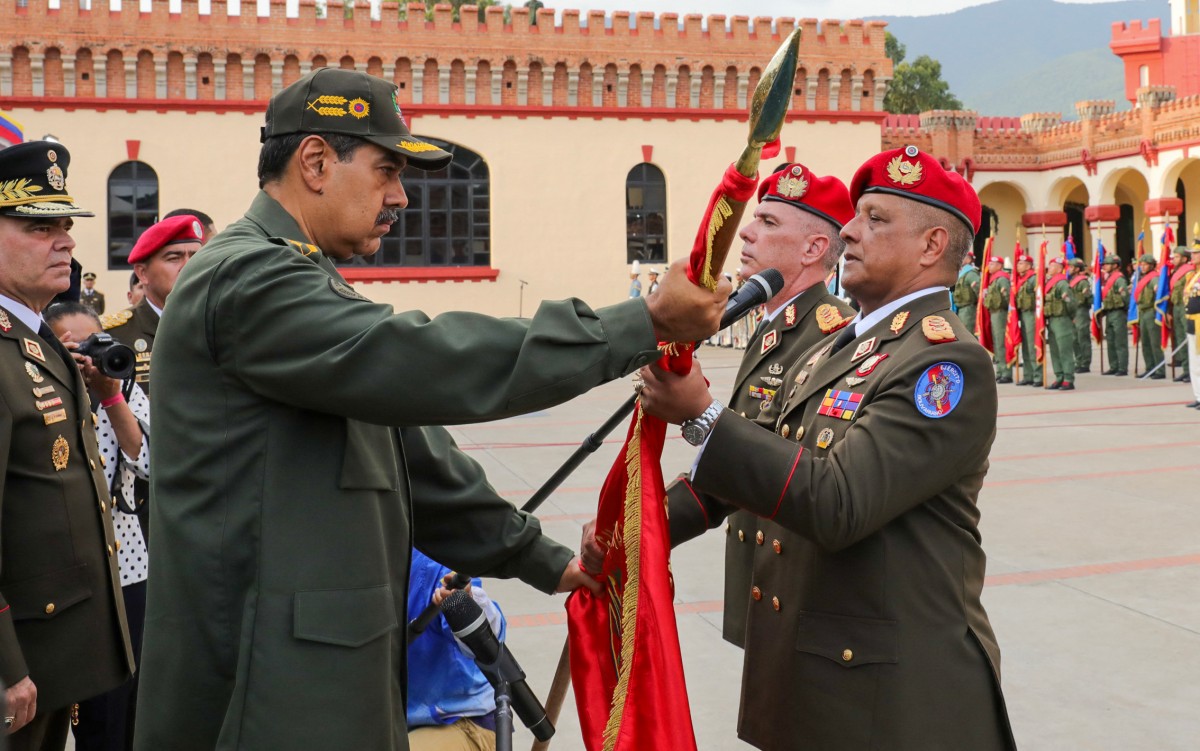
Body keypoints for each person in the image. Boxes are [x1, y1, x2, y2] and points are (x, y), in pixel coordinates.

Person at [131, 67, 728, 751]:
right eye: (386, 170)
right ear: (317, 162)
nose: (401, 197)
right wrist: (638, 324)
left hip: (318, 687)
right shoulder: (245, 277)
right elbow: (426, 359)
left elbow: (413, 454)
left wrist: (547, 559)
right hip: (260, 697)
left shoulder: (303, 277)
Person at [632, 146, 1015, 750]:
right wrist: (637, 528)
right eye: (855, 217)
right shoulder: (839, 348)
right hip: (818, 676)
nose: (851, 232)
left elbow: (840, 500)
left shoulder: (944, 363)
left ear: (932, 246)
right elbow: (762, 462)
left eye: (876, 219)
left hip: (892, 703)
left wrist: (703, 415)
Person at [665, 161, 855, 649]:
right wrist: (643, 524)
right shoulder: (777, 324)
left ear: (814, 249)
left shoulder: (833, 336)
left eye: (768, 223)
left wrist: (700, 413)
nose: (746, 232)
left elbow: (773, 459)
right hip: (765, 582)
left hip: (800, 590)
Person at [0, 140, 134, 751]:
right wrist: (5, 664)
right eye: (37, 226)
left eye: (64, 225)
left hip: (55, 654)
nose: (66, 241)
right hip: (20, 662)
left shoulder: (38, 335)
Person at [45, 303, 150, 751]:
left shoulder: (121, 382)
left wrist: (110, 395)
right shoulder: (40, 387)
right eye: (75, 347)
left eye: (96, 343)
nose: (89, 357)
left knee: (125, 706)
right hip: (65, 570)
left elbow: (151, 462)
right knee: (78, 712)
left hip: (127, 567)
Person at [406, 550, 504, 751]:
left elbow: (490, 641)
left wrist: (465, 604)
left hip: (462, 720)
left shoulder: (434, 565)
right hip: (393, 722)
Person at [101, 215, 204, 394]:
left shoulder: (221, 325)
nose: (189, 267)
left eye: (196, 257)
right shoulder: (114, 335)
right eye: (174, 258)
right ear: (142, 274)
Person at [1043, 255, 1077, 390]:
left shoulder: (1062, 283)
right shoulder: (1049, 282)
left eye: (1052, 266)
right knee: (1055, 350)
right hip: (1051, 320)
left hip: (1062, 319)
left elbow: (1071, 303)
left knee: (1064, 350)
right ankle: (1059, 376)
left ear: (1059, 269)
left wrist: (1071, 316)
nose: (1049, 268)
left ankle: (1068, 378)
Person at [982, 254, 1012, 383]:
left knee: (1001, 343)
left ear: (1000, 266)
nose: (989, 266)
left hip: (1001, 313)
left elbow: (1007, 298)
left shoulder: (1002, 279)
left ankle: (1006, 372)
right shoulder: (993, 279)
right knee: (996, 342)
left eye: (993, 264)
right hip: (994, 313)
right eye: (989, 264)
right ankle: (1000, 371)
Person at [1134, 253, 1165, 378]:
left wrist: (1157, 288)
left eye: (1145, 264)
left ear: (1152, 265)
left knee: (1154, 343)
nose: (1143, 266)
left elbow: (1157, 288)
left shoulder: (1153, 278)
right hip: (1142, 312)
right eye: (1141, 264)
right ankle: (1150, 367)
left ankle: (1160, 370)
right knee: (1145, 343)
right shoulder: (1141, 278)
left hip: (1151, 312)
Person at [1014, 253, 1042, 386]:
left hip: (1031, 314)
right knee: (1024, 346)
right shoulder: (1019, 279)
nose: (1018, 265)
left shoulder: (1033, 279)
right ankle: (1028, 375)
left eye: (1021, 263)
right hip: (1022, 314)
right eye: (1018, 263)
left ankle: (1037, 376)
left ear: (1029, 266)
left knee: (1032, 346)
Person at [1099, 255, 1130, 375]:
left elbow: (1125, 297)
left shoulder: (1119, 279)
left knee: (1120, 341)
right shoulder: (1109, 279)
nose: (1104, 266)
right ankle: (1113, 366)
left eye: (1107, 264)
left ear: (1115, 265)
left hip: (1118, 312)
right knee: (1111, 340)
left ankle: (1122, 367)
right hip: (1109, 312)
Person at [1169, 246, 1194, 382]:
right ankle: (1186, 369)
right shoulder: (1174, 272)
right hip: (1176, 307)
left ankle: (1192, 371)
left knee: (1188, 338)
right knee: (1180, 339)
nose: (1174, 259)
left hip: (1186, 308)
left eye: (1177, 256)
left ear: (1184, 258)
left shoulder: (1189, 272)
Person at [1068, 257, 1093, 373]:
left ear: (1077, 269)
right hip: (1073, 311)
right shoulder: (1071, 280)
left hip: (1081, 311)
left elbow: (1087, 297)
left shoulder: (1082, 281)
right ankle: (1078, 361)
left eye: (1071, 267)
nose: (1069, 269)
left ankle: (1085, 363)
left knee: (1082, 337)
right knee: (1074, 338)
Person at [952, 250, 980, 337]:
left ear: (968, 260)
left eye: (962, 256)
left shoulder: (971, 273)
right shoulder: (962, 273)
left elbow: (979, 291)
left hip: (968, 309)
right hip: (961, 308)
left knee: (967, 334)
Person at [1183, 264, 1200, 407]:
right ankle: (1198, 396)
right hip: (1192, 321)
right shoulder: (1192, 276)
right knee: (1194, 363)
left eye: (1196, 253)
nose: (1193, 256)